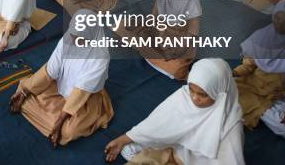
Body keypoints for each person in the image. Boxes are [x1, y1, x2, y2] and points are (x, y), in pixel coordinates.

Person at [104, 59, 245, 165]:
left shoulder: (230, 126)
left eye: (203, 94)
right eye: (191, 89)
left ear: (220, 93)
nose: (194, 98)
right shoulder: (184, 96)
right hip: (174, 149)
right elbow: (157, 123)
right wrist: (123, 139)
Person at [10, 9, 113, 147]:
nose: (75, 41)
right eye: (74, 36)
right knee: (24, 93)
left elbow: (80, 92)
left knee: (68, 132)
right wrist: (25, 92)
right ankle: (51, 121)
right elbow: (49, 71)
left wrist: (59, 123)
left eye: (81, 38)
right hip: (59, 84)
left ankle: (57, 123)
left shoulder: (101, 56)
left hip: (84, 98)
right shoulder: (68, 38)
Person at [234, 0, 285, 142]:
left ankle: (250, 110)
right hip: (250, 85)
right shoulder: (262, 36)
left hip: (275, 96)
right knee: (224, 90)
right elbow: (248, 66)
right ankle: (253, 109)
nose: (279, 24)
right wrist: (232, 74)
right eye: (277, 17)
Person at [118, 0, 202, 80]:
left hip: (178, 38)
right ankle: (155, 55)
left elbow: (193, 31)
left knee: (177, 69)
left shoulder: (191, 1)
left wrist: (180, 48)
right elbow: (155, 15)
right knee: (122, 26)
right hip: (160, 30)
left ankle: (157, 57)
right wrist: (149, 28)